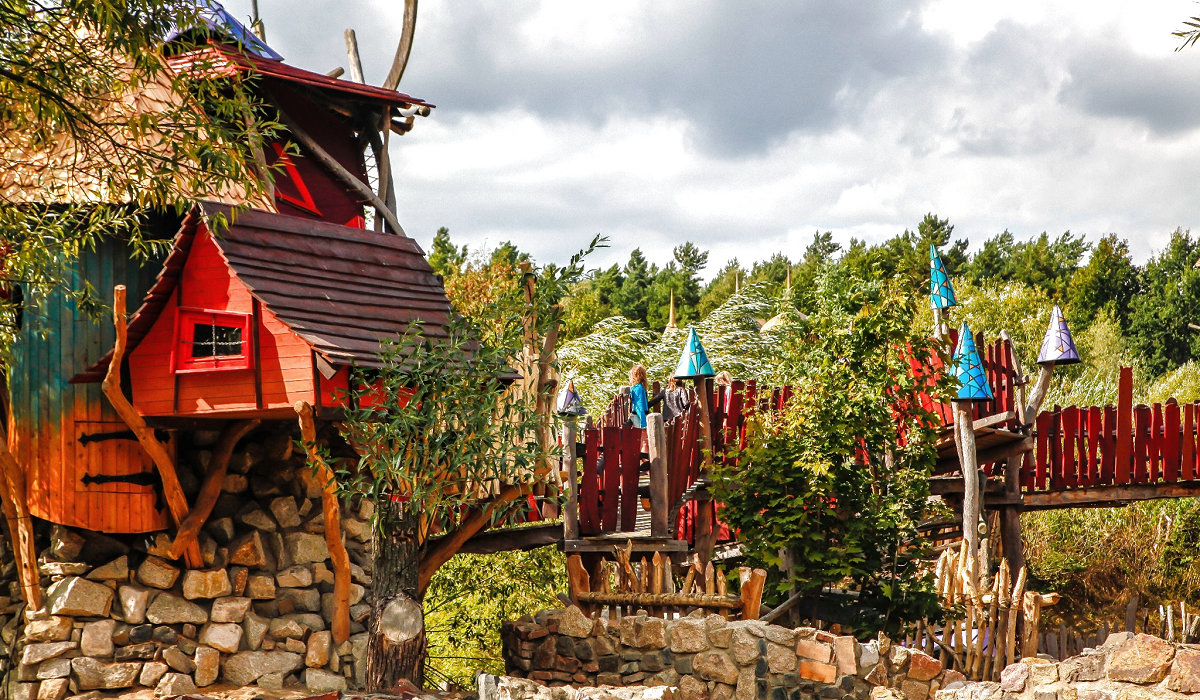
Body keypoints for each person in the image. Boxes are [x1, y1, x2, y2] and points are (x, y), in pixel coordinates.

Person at [628, 364, 650, 429]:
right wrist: (643, 424)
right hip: (638, 417)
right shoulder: (639, 388)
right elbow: (639, 406)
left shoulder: (635, 387)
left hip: (637, 415)